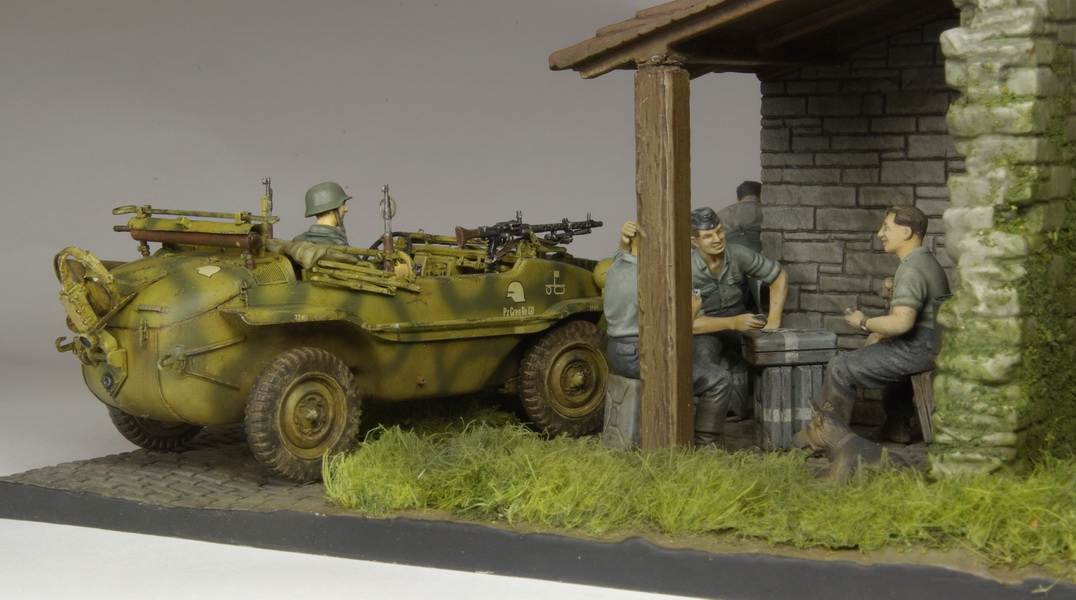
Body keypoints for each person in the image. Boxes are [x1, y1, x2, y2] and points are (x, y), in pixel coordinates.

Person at [816, 205, 951, 443]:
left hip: (921, 347)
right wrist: (880, 335)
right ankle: (897, 427)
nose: (880, 233)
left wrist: (863, 322)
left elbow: (901, 323)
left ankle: (830, 438)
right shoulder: (926, 261)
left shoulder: (911, 269)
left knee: (839, 367)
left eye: (886, 227)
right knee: (886, 353)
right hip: (933, 344)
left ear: (907, 232)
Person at [603, 221, 741, 447]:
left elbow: (622, 250)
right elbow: (671, 330)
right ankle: (707, 444)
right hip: (640, 354)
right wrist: (694, 309)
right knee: (719, 380)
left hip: (616, 351)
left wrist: (624, 238)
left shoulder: (618, 265)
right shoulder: (649, 281)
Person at [689, 207, 789, 421]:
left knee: (769, 349)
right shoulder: (688, 269)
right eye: (708, 236)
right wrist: (733, 323)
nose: (717, 239)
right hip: (705, 326)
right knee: (704, 355)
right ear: (694, 241)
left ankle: (774, 413)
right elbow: (691, 324)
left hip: (739, 315)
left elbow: (779, 276)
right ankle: (710, 421)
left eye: (719, 231)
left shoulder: (737, 254)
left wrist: (773, 320)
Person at [718, 180, 765, 312]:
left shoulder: (722, 214)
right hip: (762, 263)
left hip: (729, 265)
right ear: (761, 196)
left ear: (738, 198)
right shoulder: (769, 212)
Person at [293, 182, 352, 246]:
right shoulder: (339, 245)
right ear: (330, 209)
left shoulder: (297, 241)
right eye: (343, 204)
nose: (346, 209)